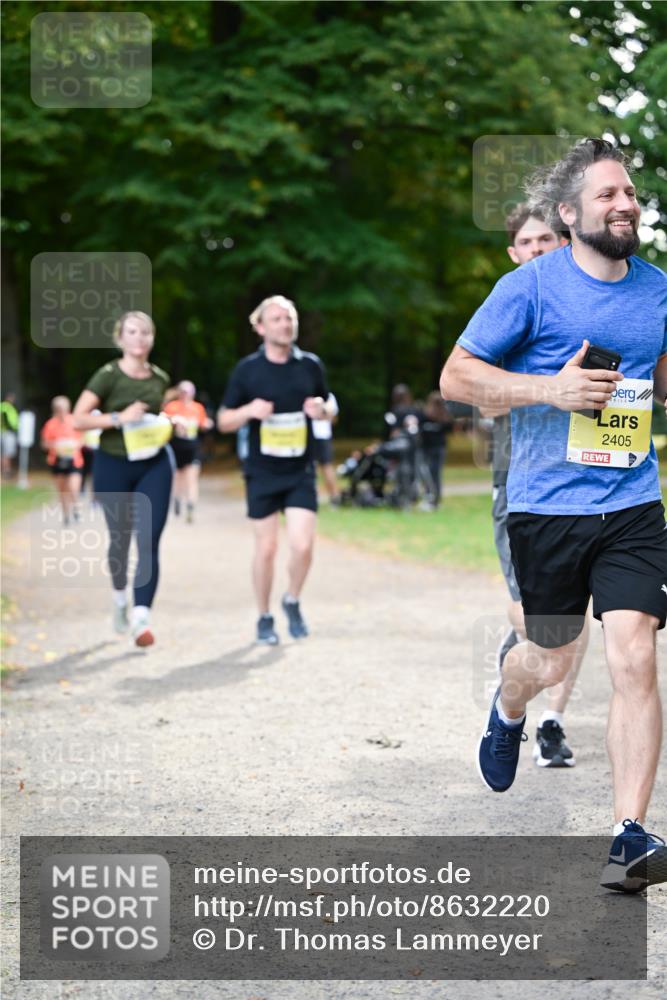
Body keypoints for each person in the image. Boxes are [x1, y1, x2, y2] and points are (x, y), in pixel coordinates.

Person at [440, 138, 667, 892]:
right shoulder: (530, 288)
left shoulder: (656, 289)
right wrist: (550, 391)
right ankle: (507, 708)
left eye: (629, 192)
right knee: (550, 660)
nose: (624, 203)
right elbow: (455, 376)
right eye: (607, 194)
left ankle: (627, 835)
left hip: (631, 500)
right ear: (568, 214)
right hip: (546, 505)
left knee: (633, 654)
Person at [488, 204, 587, 769]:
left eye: (547, 238)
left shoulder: (591, 302)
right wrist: (549, 388)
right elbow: (472, 390)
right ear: (514, 253)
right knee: (537, 616)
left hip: (596, 477)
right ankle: (518, 657)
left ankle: (552, 719)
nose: (538, 249)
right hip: (522, 482)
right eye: (527, 242)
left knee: (578, 612)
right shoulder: (508, 307)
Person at [217, 295, 332, 645]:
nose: (286, 324)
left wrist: (322, 410)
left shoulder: (310, 365)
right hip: (262, 471)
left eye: (290, 318)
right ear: (260, 327)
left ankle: (292, 599)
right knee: (266, 548)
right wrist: (249, 410)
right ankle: (264, 616)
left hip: (300, 469)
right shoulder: (247, 370)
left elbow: (329, 406)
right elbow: (222, 420)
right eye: (278, 319)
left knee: (302, 546)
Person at [73, 311, 175, 648]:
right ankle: (120, 601)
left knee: (149, 540)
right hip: (113, 464)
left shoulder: (159, 378)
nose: (139, 338)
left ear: (153, 338)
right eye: (132, 332)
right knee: (120, 541)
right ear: (120, 338)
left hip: (154, 463)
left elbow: (157, 418)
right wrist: (119, 418)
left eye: (145, 332)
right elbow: (78, 419)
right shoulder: (107, 376)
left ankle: (141, 618)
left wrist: (171, 425)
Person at [164, 380, 214, 523]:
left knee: (191, 478)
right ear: (179, 393)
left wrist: (206, 424)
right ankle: (178, 499)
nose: (186, 395)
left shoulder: (198, 408)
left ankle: (191, 506)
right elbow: (163, 423)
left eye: (189, 392)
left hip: (192, 447)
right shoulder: (172, 407)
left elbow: (203, 424)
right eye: (183, 392)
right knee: (178, 477)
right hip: (176, 447)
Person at [40, 396, 84, 524]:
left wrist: (75, 445)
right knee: (62, 489)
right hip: (57, 461)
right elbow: (44, 444)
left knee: (73, 487)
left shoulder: (74, 421)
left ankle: (76, 508)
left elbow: (82, 439)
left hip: (74, 460)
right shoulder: (50, 425)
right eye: (59, 409)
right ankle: (66, 515)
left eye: (64, 409)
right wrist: (56, 445)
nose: (62, 412)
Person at [420, 391, 454, 508]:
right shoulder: (427, 416)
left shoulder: (440, 417)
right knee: (434, 474)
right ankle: (434, 497)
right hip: (437, 448)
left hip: (431, 449)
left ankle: (431, 496)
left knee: (429, 474)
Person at [312, 391, 340, 502]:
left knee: (325, 467)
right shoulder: (329, 396)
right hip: (320, 436)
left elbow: (332, 417)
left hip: (319, 435)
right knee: (324, 466)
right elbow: (333, 418)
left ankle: (334, 496)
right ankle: (334, 497)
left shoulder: (327, 396)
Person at [1, 392, 19, 478]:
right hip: (7, 432)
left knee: (3, 453)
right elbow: (6, 419)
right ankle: (6, 471)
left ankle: (5, 470)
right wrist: (10, 427)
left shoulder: (3, 406)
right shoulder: (6, 407)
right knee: (6, 453)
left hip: (5, 432)